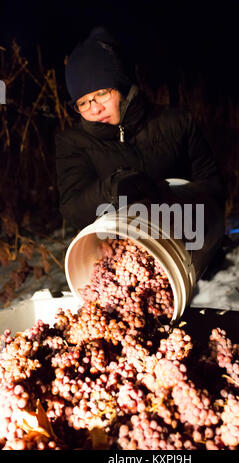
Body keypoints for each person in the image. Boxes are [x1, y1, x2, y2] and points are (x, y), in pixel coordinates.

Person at [55, 27, 225, 277]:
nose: (94, 109)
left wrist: (172, 201)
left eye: (102, 93)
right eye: (82, 102)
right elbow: (73, 208)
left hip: (184, 248)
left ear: (122, 86)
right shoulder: (73, 142)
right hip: (118, 259)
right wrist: (112, 189)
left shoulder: (176, 123)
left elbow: (212, 186)